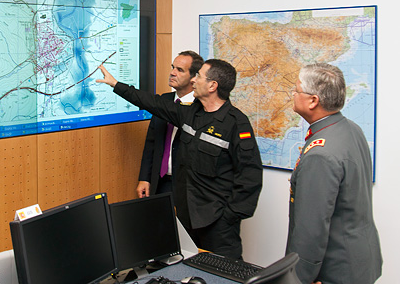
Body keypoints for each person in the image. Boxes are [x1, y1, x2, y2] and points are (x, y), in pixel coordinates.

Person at [97, 59, 263, 260]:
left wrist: (229, 217)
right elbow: (154, 103)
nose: (194, 80)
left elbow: (250, 177)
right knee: (187, 269)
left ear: (212, 86)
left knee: (225, 274)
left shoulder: (237, 124)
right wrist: (116, 85)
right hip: (186, 218)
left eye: (199, 76)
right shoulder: (191, 113)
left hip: (217, 225)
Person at [286, 63, 382, 284]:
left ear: (313, 100)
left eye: (297, 90)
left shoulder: (320, 154)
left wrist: (299, 277)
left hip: (335, 270)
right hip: (359, 260)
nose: (293, 94)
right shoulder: (350, 129)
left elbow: (312, 228)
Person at [137, 51, 204, 198]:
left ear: (194, 78)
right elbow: (151, 144)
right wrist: (144, 178)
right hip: (160, 182)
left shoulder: (201, 108)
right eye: (173, 67)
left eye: (180, 70)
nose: (172, 72)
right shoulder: (163, 101)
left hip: (187, 186)